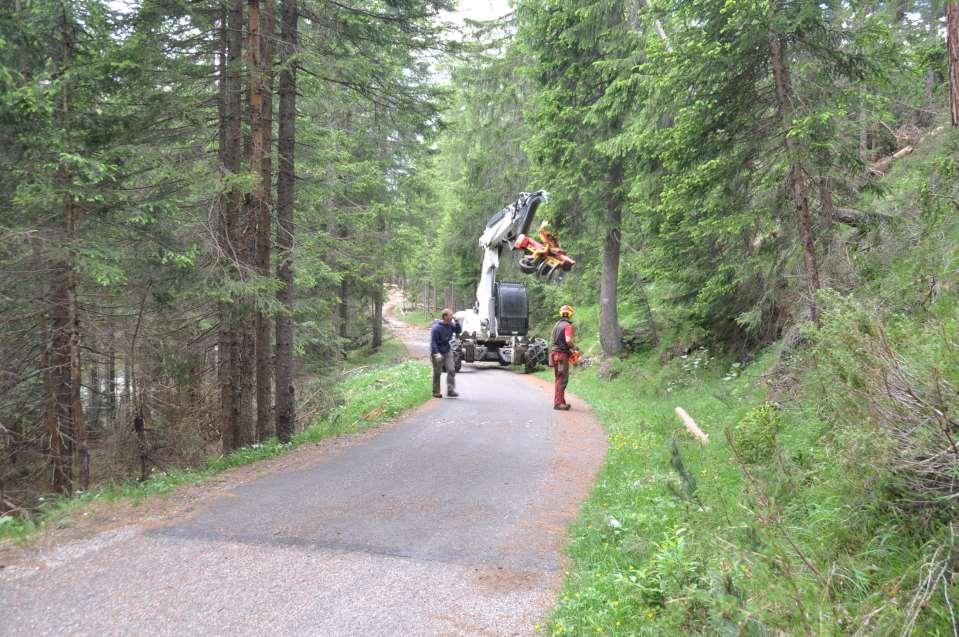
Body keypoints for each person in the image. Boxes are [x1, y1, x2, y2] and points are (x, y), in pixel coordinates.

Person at [430, 308, 461, 398]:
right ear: (445, 316)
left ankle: (450, 390)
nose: (452, 316)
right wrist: (436, 353)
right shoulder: (436, 328)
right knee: (437, 372)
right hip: (437, 352)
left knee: (451, 370)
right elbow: (433, 342)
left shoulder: (451, 325)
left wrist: (457, 322)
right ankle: (436, 392)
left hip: (447, 350)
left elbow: (458, 331)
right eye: (450, 315)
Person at [551, 304, 576, 410]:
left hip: (554, 353)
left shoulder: (556, 325)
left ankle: (561, 401)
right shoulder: (568, 326)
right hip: (561, 356)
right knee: (562, 379)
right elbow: (568, 340)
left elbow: (554, 339)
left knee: (558, 378)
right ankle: (558, 403)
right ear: (570, 314)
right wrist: (574, 348)